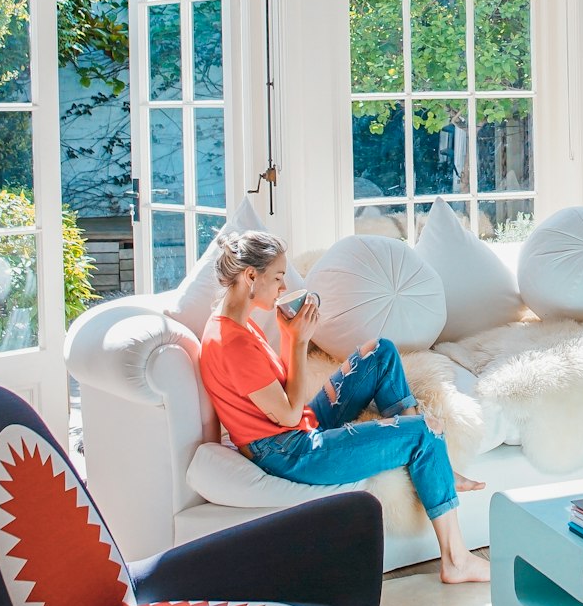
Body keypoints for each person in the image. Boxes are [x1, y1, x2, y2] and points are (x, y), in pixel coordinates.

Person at [199, 229, 489, 584]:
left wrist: (292, 338)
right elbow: (288, 414)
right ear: (250, 276)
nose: (281, 287)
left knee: (379, 353)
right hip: (291, 452)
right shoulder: (233, 343)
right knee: (425, 431)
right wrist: (296, 340)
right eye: (277, 277)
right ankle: (456, 560)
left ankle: (430, 460)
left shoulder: (233, 324)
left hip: (297, 429)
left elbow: (286, 403)